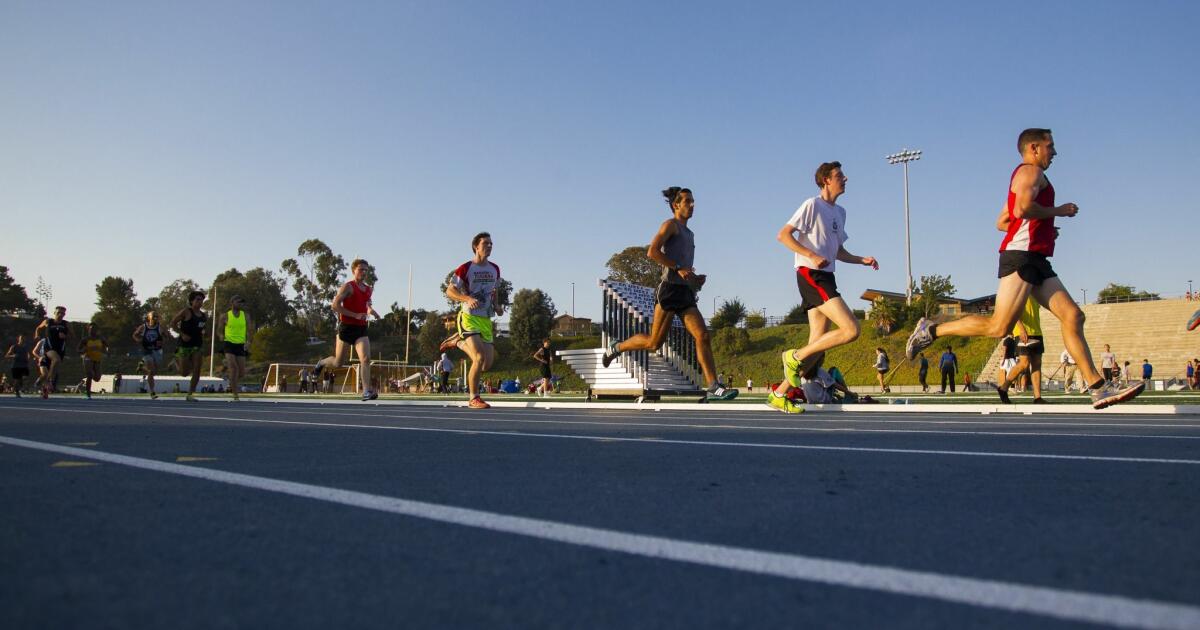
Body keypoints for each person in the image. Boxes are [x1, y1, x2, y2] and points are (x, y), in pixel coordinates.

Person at [905, 128, 1143, 409]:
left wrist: (1044, 230)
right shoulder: (1030, 172)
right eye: (1050, 146)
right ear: (1034, 147)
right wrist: (1059, 211)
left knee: (1073, 316)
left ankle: (1097, 386)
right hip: (1020, 257)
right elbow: (1021, 210)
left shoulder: (1029, 177)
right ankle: (931, 331)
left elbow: (1003, 221)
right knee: (998, 326)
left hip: (1035, 257)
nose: (1054, 152)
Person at [599, 189, 738, 403]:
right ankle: (617, 347)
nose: (692, 205)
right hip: (669, 290)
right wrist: (679, 267)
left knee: (702, 336)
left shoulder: (690, 234)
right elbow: (652, 252)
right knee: (654, 343)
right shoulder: (670, 225)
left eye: (693, 201)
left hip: (685, 292)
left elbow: (683, 268)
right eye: (688, 202)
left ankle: (713, 386)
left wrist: (694, 279)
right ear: (676, 205)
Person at [766, 163, 879, 414]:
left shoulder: (840, 212)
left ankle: (779, 393)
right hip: (811, 274)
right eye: (840, 176)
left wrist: (862, 259)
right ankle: (792, 357)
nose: (845, 178)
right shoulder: (811, 205)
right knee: (851, 329)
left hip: (827, 276)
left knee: (816, 346)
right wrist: (810, 255)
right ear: (826, 180)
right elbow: (783, 235)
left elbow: (837, 251)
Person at [442, 233, 510, 409]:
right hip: (469, 317)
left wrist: (496, 306)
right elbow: (450, 291)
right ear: (476, 247)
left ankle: (458, 342)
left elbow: (494, 290)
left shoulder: (495, 269)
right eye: (485, 243)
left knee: (486, 364)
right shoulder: (465, 268)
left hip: (485, 319)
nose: (489, 246)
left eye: (491, 243)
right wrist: (466, 299)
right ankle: (474, 398)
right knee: (478, 358)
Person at [313, 259, 382, 401]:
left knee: (366, 358)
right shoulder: (348, 287)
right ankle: (321, 363)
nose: (363, 272)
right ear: (354, 271)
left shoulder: (368, 289)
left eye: (365, 270)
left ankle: (366, 391)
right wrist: (355, 315)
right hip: (346, 328)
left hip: (361, 328)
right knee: (338, 363)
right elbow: (335, 306)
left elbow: (367, 304)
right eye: (361, 269)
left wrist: (371, 311)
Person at [996, 296, 1045, 403]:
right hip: (1022, 332)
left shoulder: (1036, 292)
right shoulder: (1021, 289)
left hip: (1037, 332)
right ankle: (1004, 388)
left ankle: (1037, 397)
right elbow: (1012, 311)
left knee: (1037, 364)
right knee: (1024, 363)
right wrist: (1021, 328)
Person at [170, 290, 208, 402]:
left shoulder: (204, 315)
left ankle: (190, 394)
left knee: (197, 369)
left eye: (202, 300)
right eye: (197, 300)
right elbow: (172, 323)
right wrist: (182, 334)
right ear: (192, 301)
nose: (200, 302)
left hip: (197, 344)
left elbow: (203, 327)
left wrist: (204, 332)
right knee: (184, 373)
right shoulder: (186, 312)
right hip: (184, 345)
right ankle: (175, 362)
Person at [216, 295, 254, 401]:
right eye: (238, 301)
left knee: (241, 372)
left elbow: (250, 330)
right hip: (229, 344)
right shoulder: (225, 316)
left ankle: (231, 380)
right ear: (232, 302)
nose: (240, 304)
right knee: (234, 368)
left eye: (242, 302)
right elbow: (219, 330)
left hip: (240, 345)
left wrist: (249, 342)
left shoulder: (245, 316)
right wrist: (221, 336)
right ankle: (235, 394)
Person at [33, 305, 71, 396]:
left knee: (53, 371)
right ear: (54, 313)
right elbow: (38, 328)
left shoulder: (66, 324)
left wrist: (65, 336)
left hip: (60, 350)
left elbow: (73, 337)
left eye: (62, 313)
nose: (60, 315)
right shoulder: (48, 322)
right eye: (58, 313)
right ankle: (49, 382)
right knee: (56, 360)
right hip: (49, 348)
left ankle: (44, 389)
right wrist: (36, 334)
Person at [132, 311, 166, 399]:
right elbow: (135, 335)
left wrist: (162, 342)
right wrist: (139, 340)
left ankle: (141, 367)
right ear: (149, 318)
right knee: (151, 371)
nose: (155, 319)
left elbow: (166, 336)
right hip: (146, 350)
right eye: (153, 317)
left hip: (157, 350)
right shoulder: (143, 327)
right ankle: (152, 392)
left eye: (156, 317)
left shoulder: (160, 327)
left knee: (154, 372)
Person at [77, 324, 109, 399]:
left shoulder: (101, 339)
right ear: (88, 330)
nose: (92, 330)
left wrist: (106, 351)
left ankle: (91, 376)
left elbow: (107, 346)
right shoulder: (85, 339)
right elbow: (78, 349)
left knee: (97, 378)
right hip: (87, 358)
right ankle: (88, 394)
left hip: (97, 359)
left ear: (97, 330)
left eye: (94, 329)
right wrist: (82, 351)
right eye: (91, 329)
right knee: (90, 375)